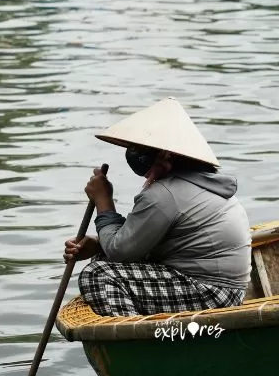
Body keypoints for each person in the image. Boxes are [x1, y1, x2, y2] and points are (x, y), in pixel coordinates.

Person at [64, 98, 252, 317]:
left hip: (212, 292)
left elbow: (120, 251)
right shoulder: (195, 181)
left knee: (98, 275)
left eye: (140, 148)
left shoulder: (165, 194)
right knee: (102, 260)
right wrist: (98, 245)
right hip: (226, 288)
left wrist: (103, 201)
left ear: (166, 154)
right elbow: (132, 244)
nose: (134, 153)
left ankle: (136, 340)